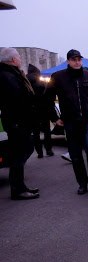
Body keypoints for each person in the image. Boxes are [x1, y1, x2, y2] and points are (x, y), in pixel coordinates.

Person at [44, 49, 88, 195]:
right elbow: (47, 99)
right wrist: (54, 117)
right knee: (75, 154)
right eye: (74, 59)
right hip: (70, 122)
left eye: (79, 59)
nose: (77, 62)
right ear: (68, 61)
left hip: (87, 121)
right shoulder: (58, 77)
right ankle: (82, 183)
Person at [0, 48, 39, 200]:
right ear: (12, 60)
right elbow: (18, 100)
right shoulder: (7, 76)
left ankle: (20, 186)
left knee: (22, 152)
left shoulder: (11, 74)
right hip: (17, 122)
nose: (20, 59)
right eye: (18, 57)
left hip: (19, 121)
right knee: (19, 155)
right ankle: (17, 190)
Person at [27, 63, 57, 158]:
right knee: (47, 131)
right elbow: (49, 97)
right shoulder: (42, 82)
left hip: (32, 111)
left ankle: (39, 152)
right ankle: (49, 150)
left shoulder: (26, 82)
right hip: (44, 110)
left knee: (36, 133)